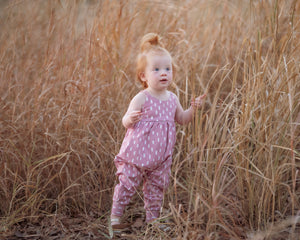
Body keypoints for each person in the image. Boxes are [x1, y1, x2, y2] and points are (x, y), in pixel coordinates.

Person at [110, 33, 206, 229]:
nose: (164, 73)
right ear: (143, 76)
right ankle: (115, 219)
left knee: (156, 188)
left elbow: (182, 119)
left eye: (167, 69)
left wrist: (193, 109)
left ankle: (153, 220)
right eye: (156, 69)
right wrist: (130, 119)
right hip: (136, 154)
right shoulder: (142, 98)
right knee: (127, 185)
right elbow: (124, 121)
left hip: (161, 157)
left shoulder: (172, 98)